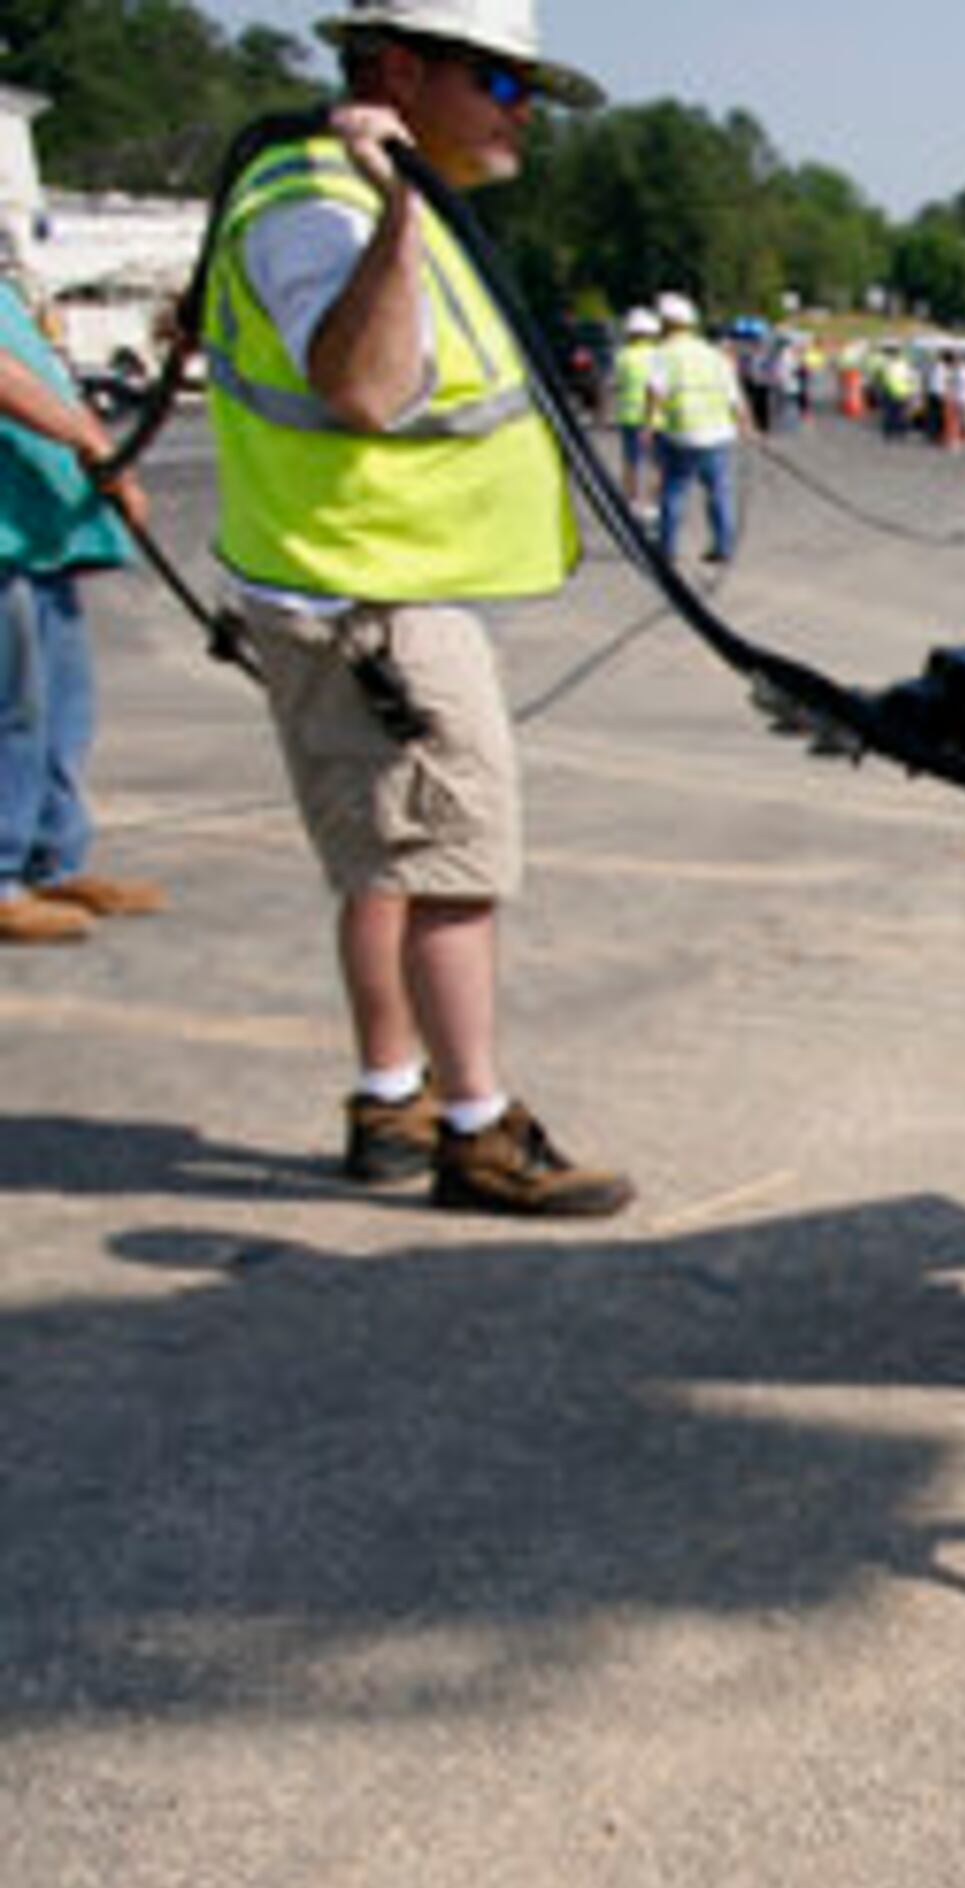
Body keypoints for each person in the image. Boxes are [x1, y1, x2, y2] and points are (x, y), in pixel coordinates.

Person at [202, 0, 630, 1215]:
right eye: (501, 84)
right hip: (369, 597)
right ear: (398, 71)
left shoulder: (348, 197)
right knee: (450, 862)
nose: (523, 116)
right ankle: (477, 1126)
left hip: (361, 580)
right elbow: (364, 387)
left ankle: (391, 1093)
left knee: (388, 862)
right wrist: (394, 203)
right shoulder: (322, 208)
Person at [0, 255, 157, 948]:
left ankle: (52, 857)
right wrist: (88, 436)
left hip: (39, 526)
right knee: (15, 707)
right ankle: (4, 875)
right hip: (7, 531)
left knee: (63, 702)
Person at [645, 292, 746, 565]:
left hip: (683, 434)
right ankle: (723, 546)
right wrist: (745, 423)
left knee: (674, 491)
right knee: (719, 492)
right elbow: (732, 391)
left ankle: (667, 548)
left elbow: (655, 391)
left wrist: (649, 425)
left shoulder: (664, 354)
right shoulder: (713, 354)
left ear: (666, 324)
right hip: (719, 433)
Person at [604, 302, 658, 502]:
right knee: (657, 463)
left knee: (630, 461)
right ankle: (653, 503)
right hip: (656, 417)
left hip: (628, 415)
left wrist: (604, 412)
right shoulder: (658, 355)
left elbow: (613, 385)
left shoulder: (622, 356)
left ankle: (630, 500)